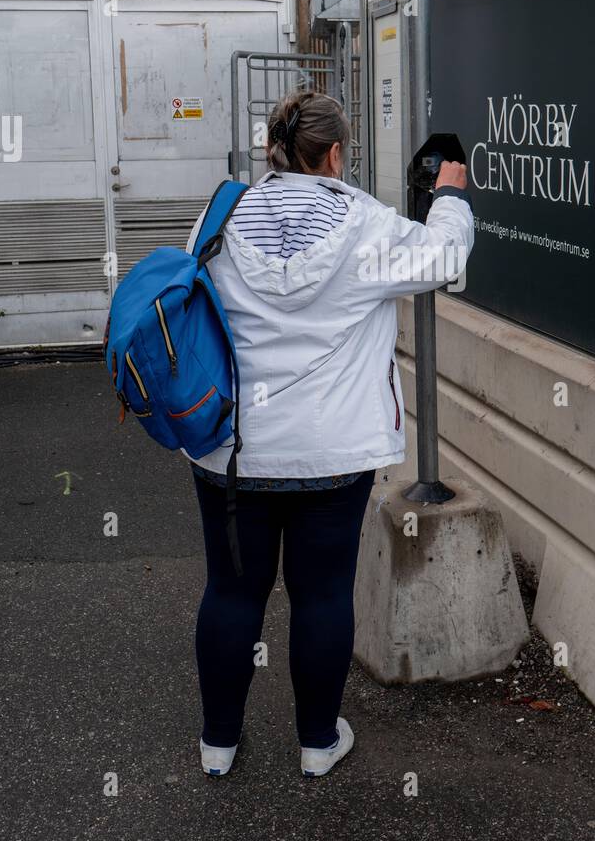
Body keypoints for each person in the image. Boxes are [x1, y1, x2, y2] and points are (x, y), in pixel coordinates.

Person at [185, 90, 473, 778]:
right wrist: (451, 191)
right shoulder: (364, 225)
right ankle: (318, 743)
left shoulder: (220, 214)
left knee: (230, 592)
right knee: (320, 595)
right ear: (336, 153)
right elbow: (445, 259)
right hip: (331, 453)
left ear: (271, 151)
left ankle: (217, 744)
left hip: (232, 450)